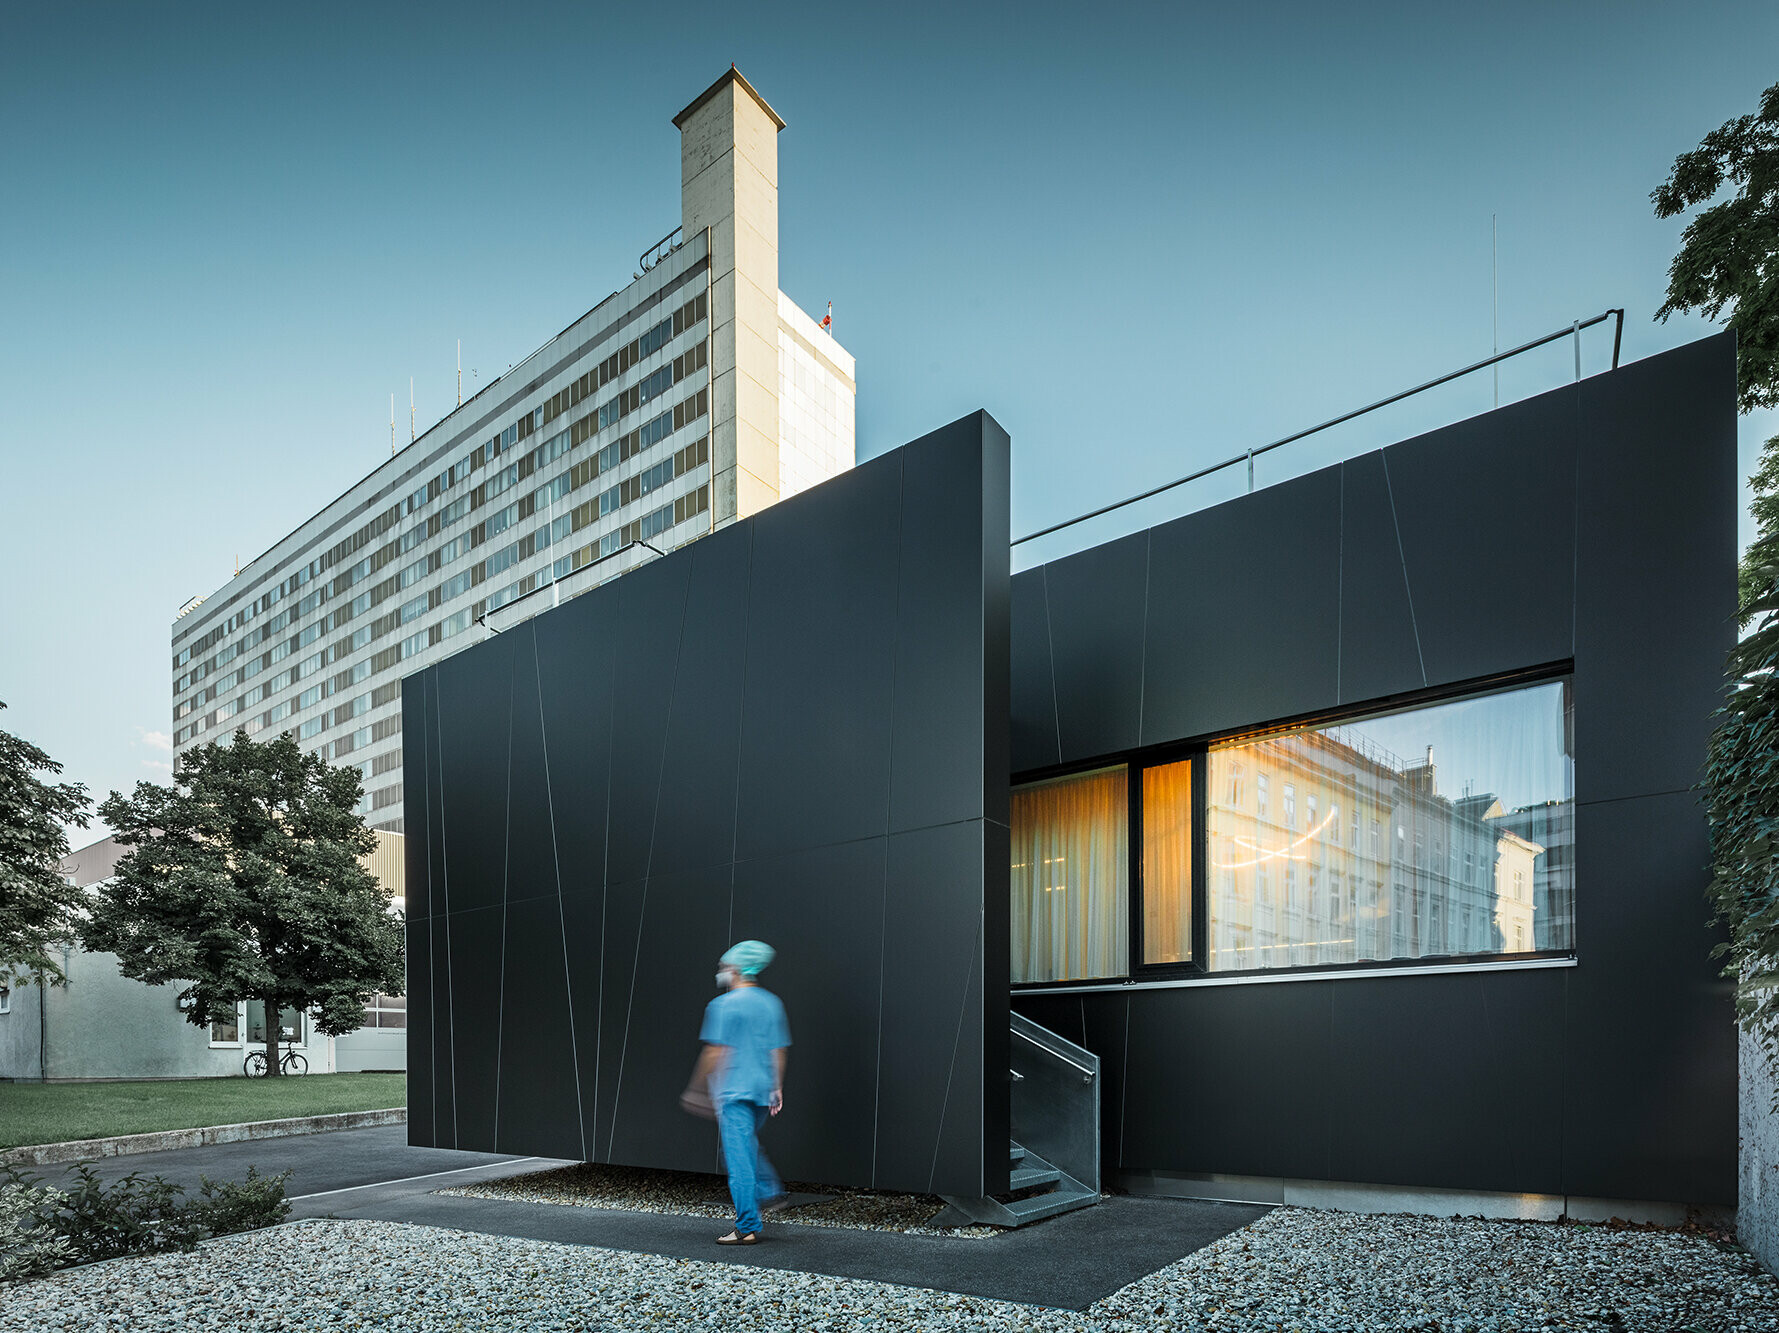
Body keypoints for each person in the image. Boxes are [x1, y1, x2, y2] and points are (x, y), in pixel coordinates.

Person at [694, 939, 790, 1245]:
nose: (721, 972)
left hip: (734, 1092)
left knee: (739, 1161)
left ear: (735, 969)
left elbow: (713, 1052)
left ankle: (747, 1226)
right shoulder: (771, 1002)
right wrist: (776, 1086)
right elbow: (778, 1050)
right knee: (745, 1148)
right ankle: (769, 1189)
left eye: (723, 967)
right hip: (761, 1092)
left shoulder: (722, 1005)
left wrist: (696, 1087)